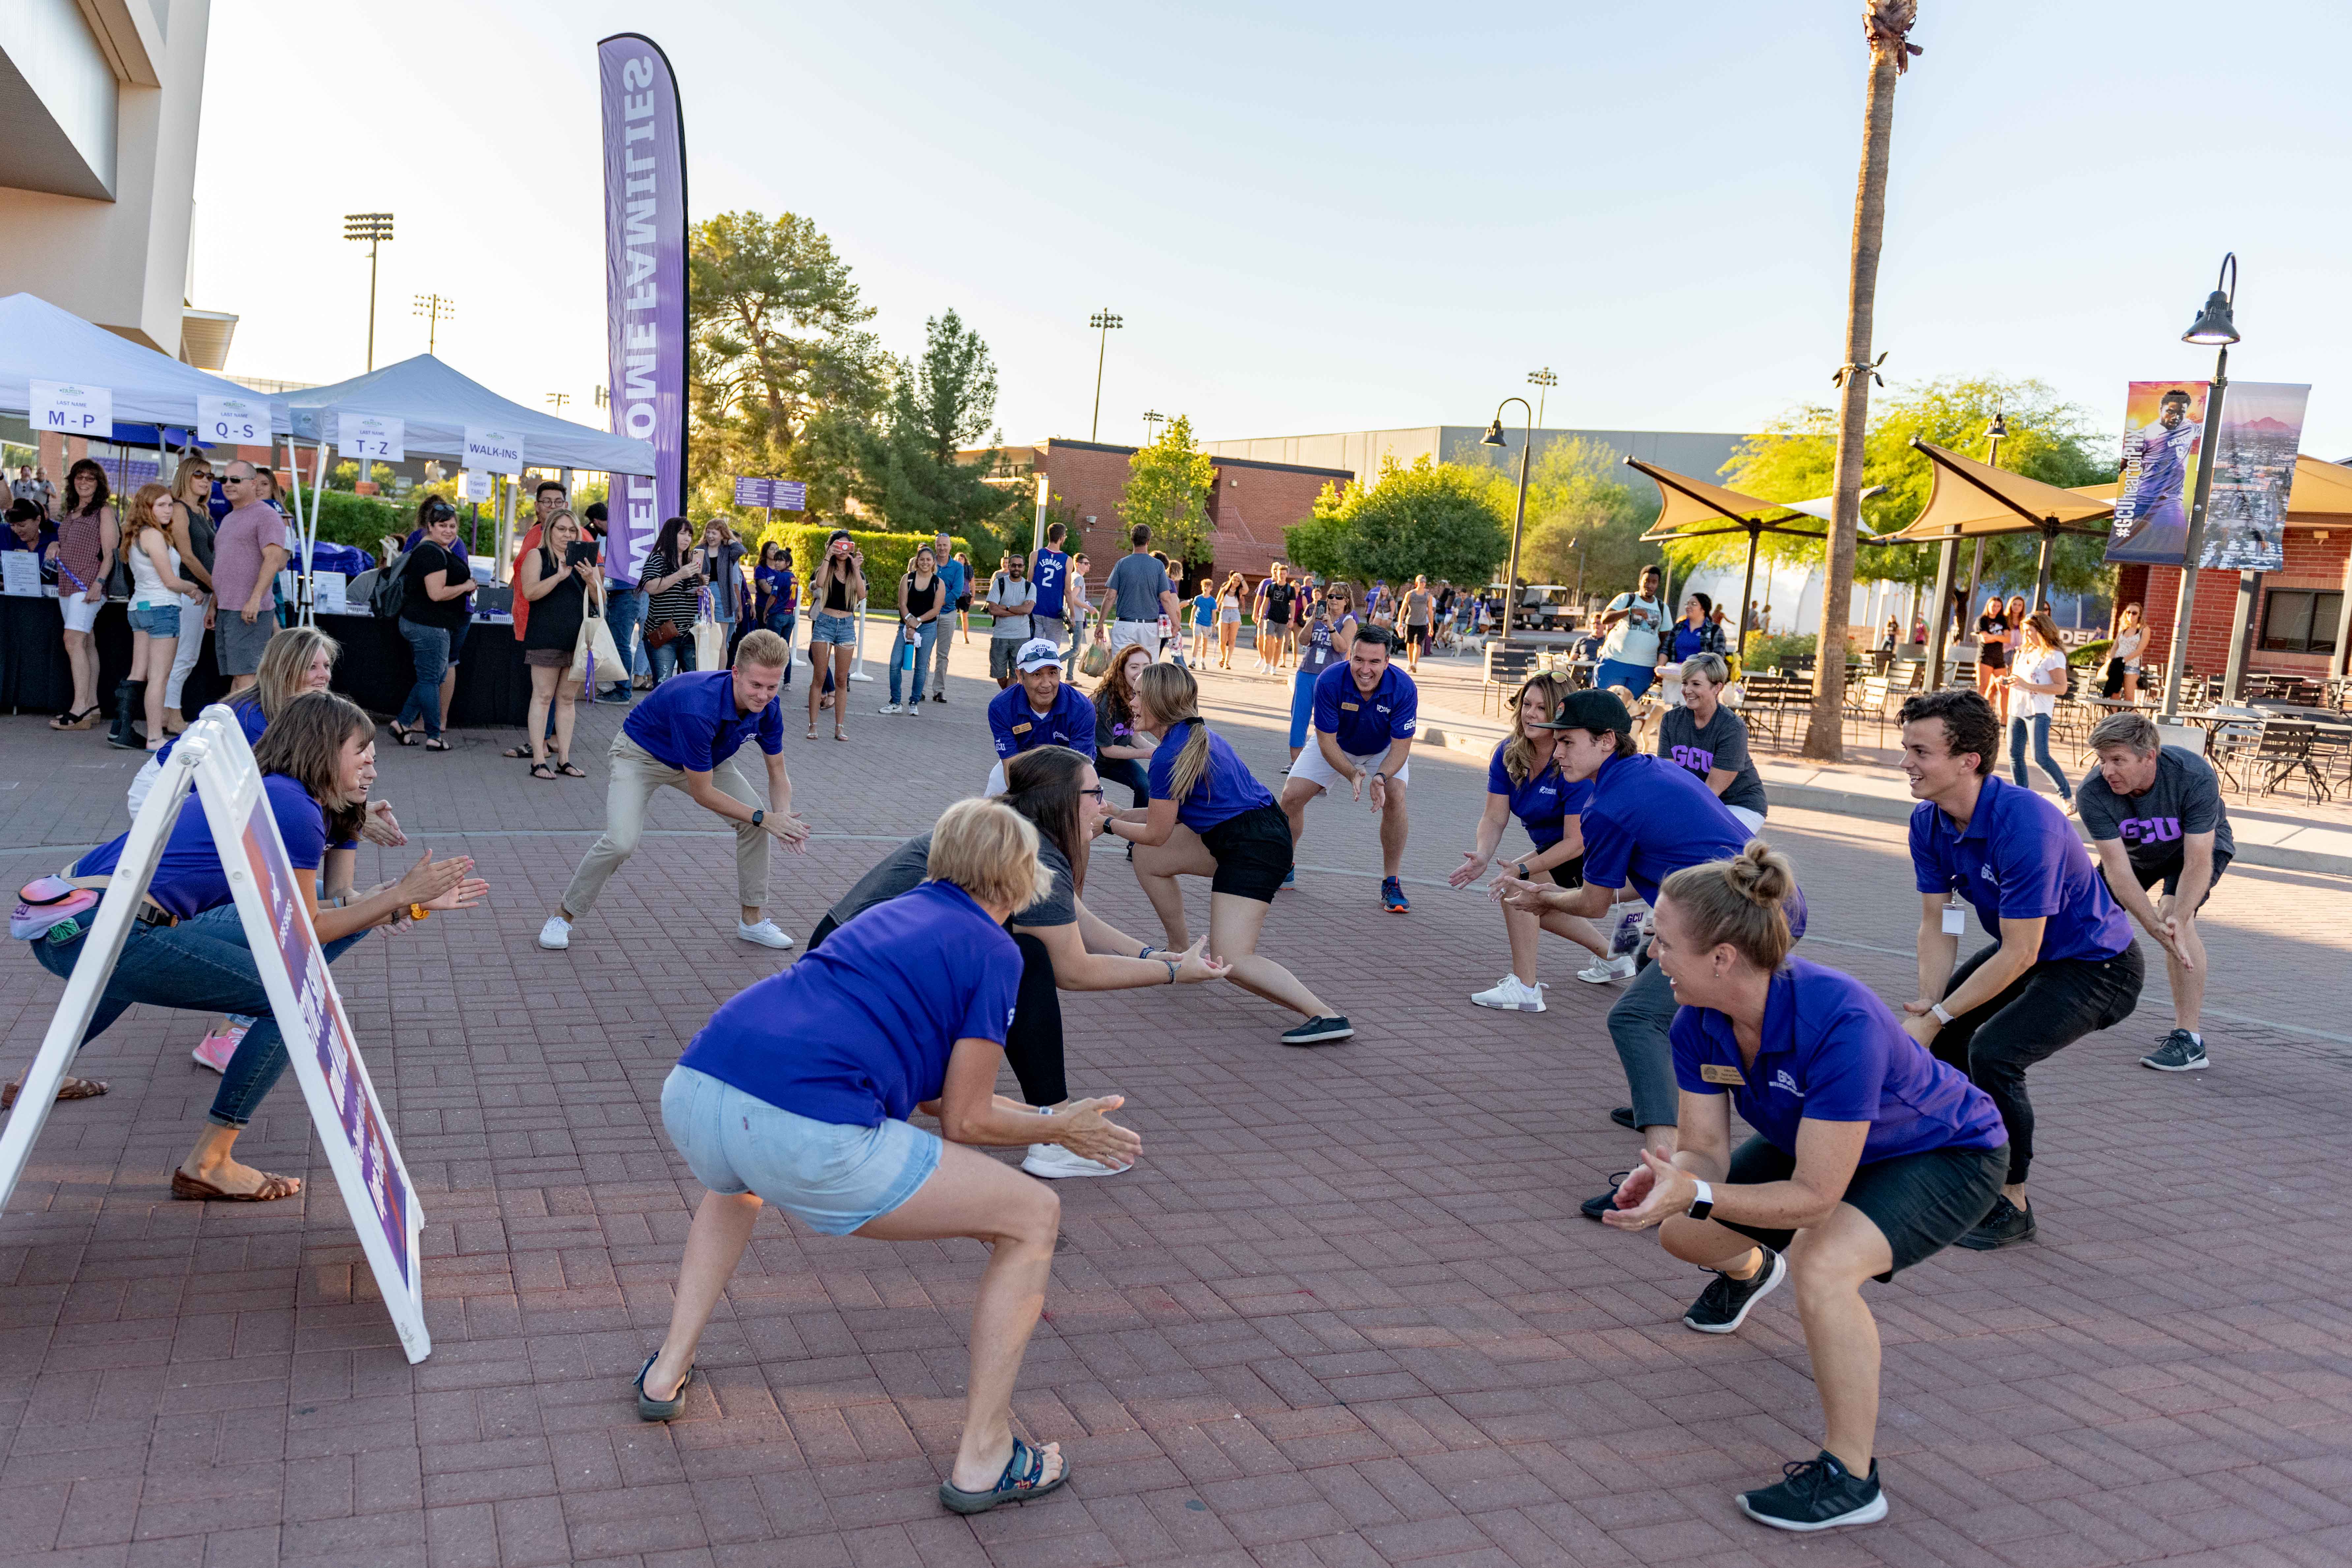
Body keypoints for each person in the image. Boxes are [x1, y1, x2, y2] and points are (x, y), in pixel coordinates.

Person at [634, 798, 1138, 1515]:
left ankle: (666, 1372)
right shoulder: (996, 949)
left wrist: (1052, 1120)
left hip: (700, 1086)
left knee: (739, 1182)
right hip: (805, 1126)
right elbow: (966, 1118)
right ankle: (985, 1456)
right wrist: (1057, 1125)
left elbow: (939, 1101)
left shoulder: (890, 912)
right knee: (1034, 1214)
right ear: (1021, 876)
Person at [1601, 844, 2007, 1533]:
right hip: (1825, 1148)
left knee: (1823, 1264)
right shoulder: (1695, 1019)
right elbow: (1706, 1150)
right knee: (1683, 1231)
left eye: (1664, 941)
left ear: (1723, 956)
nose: (1652, 955)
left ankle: (1851, 1476)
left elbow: (1816, 1196)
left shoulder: (1838, 1016)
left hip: (1947, 1152)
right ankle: (1753, 1268)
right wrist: (1679, 1179)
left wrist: (1697, 1190)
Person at [21, 693, 485, 1198]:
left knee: (289, 969)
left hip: (82, 920)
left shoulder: (280, 793)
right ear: (323, 749)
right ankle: (211, 1160)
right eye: (363, 750)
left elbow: (289, 923)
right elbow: (307, 926)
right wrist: (399, 895)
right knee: (289, 1003)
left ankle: (42, 1078)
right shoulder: (294, 809)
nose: (374, 762)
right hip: (99, 930)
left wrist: (403, 903)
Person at [809, 748, 1226, 1179]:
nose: (1102, 806)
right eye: (1094, 793)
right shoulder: (1032, 849)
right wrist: (1172, 973)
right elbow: (1074, 970)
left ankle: (1049, 1124)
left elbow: (1073, 916)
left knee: (1015, 958)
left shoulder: (1015, 829)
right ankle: (1055, 1137)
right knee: (1026, 959)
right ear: (1060, 800)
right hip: (861, 973)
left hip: (848, 957)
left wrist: (1148, 955)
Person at [1493, 689, 1803, 1219]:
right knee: (1667, 997)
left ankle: (1668, 1173)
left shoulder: (1609, 804)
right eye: (1555, 740)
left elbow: (1591, 904)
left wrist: (1543, 897)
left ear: (1606, 741)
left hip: (1737, 924)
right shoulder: (1648, 773)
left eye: (1567, 741)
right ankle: (1667, 1108)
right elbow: (1661, 867)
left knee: (1635, 1020)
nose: (1557, 751)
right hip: (1767, 908)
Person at [1896, 688, 2143, 1250]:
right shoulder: (1929, 822)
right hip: (2032, 955)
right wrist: (1929, 1003)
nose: (1905, 762)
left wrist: (1938, 1015)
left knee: (1994, 1052)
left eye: (1920, 750)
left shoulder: (2026, 823)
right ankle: (1964, 1167)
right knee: (1944, 1041)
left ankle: (2012, 1202)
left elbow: (2021, 951)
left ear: (1968, 761)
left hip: (2098, 967)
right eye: (1906, 747)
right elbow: (1940, 922)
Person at [1108, 664, 1353, 1046]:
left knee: (1232, 960)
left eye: (1139, 694)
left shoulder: (1169, 754)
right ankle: (1179, 952)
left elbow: (1156, 832)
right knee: (1150, 860)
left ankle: (1326, 1015)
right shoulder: (1189, 737)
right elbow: (1164, 818)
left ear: (1160, 701)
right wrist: (1120, 814)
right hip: (1250, 834)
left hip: (1253, 847)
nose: (1131, 701)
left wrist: (1105, 827)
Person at [542, 630, 809, 952]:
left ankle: (752, 922)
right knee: (621, 841)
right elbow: (703, 793)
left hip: (704, 759)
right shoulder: (698, 705)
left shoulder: (769, 707)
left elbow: (777, 771)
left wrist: (781, 816)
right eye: (756, 685)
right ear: (735, 673)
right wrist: (764, 817)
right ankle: (563, 915)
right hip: (642, 755)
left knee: (756, 826)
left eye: (772, 686)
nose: (763, 695)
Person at [2076, 711, 2231, 1072]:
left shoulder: (2192, 776)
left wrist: (2174, 915)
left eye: (2118, 760)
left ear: (2150, 756)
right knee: (2077, 918)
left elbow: (2196, 861)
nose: (2107, 770)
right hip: (2136, 856)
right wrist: (2146, 923)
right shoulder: (2093, 792)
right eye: (2102, 760)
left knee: (2176, 920)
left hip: (2190, 854)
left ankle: (2189, 1040)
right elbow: (2117, 868)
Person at [1451, 672, 1610, 1011]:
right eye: (1527, 704)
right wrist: (1482, 854)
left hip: (1597, 852)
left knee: (1518, 891)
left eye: (1542, 707)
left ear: (1561, 715)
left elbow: (1576, 842)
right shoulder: (1509, 752)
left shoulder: (1572, 759)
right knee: (1530, 901)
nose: (1531, 714)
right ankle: (1613, 956)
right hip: (1559, 850)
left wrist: (1522, 869)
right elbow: (1495, 817)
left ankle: (1525, 989)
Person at [1280, 624, 1416, 912]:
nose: (1365, 669)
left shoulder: (1404, 687)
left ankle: (1391, 882)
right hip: (1337, 743)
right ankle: (1284, 863)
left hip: (1382, 749)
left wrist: (1379, 777)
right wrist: (1351, 773)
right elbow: (1325, 741)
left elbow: (1401, 748)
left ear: (1387, 662)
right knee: (1291, 796)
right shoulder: (1330, 680)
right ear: (1349, 657)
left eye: (1374, 662)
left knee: (1395, 796)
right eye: (1359, 660)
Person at [114, 485, 199, 753]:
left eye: (170, 504)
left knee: (139, 673)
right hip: (162, 608)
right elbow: (170, 581)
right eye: (160, 505)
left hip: (139, 607)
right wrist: (193, 588)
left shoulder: (136, 534)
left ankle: (120, 730)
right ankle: (154, 737)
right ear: (147, 507)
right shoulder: (154, 536)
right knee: (159, 678)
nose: (168, 510)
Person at [517, 510, 597, 781]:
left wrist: (590, 579)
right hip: (546, 636)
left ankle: (564, 759)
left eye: (572, 530)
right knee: (542, 696)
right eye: (561, 529)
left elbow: (601, 600)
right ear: (549, 530)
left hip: (577, 639)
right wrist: (559, 577)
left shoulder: (586, 560)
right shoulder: (537, 556)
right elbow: (530, 592)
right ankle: (539, 760)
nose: (567, 535)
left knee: (566, 699)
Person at [388, 502, 470, 753]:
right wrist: (466, 587)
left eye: (453, 526)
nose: (448, 530)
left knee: (433, 677)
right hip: (428, 626)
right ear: (430, 527)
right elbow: (436, 594)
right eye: (442, 525)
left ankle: (401, 723)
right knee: (430, 680)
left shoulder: (437, 550)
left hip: (430, 624)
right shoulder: (431, 553)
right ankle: (434, 735)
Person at [1657, 654, 1768, 833]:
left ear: (1717, 688)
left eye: (1696, 684)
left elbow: (1712, 791)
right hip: (1697, 800)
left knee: (1709, 838)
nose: (1687, 690)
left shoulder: (1732, 728)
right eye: (1685, 683)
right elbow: (1669, 778)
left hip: (1739, 803)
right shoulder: (1671, 720)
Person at [208, 461, 288, 698]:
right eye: (224, 480)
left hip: (248, 611)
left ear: (253, 484)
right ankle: (233, 731)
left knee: (246, 677)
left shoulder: (266, 516)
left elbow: (274, 560)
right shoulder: (231, 518)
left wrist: (255, 599)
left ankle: (249, 733)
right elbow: (224, 566)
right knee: (239, 676)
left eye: (235, 480)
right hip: (228, 609)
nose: (228, 485)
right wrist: (214, 604)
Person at [48, 458, 118, 730]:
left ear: (99, 483)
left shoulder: (103, 510)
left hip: (88, 584)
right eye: (80, 477)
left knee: (72, 640)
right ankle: (93, 704)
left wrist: (99, 583)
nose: (84, 482)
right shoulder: (72, 511)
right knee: (87, 642)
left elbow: (111, 552)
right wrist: (55, 543)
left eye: (90, 478)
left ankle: (80, 709)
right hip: (67, 585)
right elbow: (68, 541)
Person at [986, 639, 1095, 795]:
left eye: (1052, 673)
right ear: (1020, 676)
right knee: (992, 809)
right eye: (1037, 674)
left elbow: (1079, 769)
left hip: (1069, 769)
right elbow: (1010, 764)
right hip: (1021, 764)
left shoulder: (1082, 709)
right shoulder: (1001, 707)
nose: (1046, 684)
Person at [159, 456, 218, 733]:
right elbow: (188, 556)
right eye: (199, 474)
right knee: (182, 658)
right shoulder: (180, 509)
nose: (206, 480)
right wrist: (217, 585)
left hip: (202, 592)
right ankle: (171, 716)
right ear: (185, 475)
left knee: (186, 657)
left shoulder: (203, 512)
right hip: (189, 591)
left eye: (210, 476)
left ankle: (166, 714)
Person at [2004, 610, 2073, 806]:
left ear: (2043, 631)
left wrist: (2028, 686)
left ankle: (2067, 797)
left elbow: (2061, 688)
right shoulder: (2023, 651)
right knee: (2014, 755)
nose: (2026, 635)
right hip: (2017, 707)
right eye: (2024, 631)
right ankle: (2022, 798)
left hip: (2038, 710)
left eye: (2030, 631)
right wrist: (2010, 682)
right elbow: (2021, 679)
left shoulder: (2053, 655)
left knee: (2040, 756)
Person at [2120, 388, 2198, 560]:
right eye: (2170, 411)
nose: (2176, 417)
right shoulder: (2146, 434)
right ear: (2161, 409)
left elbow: (2205, 428)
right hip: (2142, 497)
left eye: (2181, 413)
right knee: (2120, 538)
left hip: (2169, 500)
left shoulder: (2189, 427)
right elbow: (2124, 462)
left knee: (2176, 539)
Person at [1288, 579, 1357, 769]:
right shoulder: (1318, 617)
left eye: (1338, 597)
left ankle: (1328, 762)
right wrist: (1313, 620)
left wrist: (1331, 627)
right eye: (1330, 596)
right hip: (1307, 672)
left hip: (1330, 677)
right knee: (1299, 717)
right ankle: (1295, 763)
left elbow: (1342, 647)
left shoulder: (1348, 622)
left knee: (1328, 720)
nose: (1333, 600)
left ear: (1346, 601)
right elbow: (1303, 640)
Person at [803, 530, 865, 740]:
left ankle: (839, 728)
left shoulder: (855, 570)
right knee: (819, 677)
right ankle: (813, 726)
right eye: (839, 546)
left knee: (841, 679)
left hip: (847, 625)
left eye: (847, 546)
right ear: (832, 546)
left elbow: (862, 594)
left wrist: (856, 569)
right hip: (825, 623)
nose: (843, 550)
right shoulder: (826, 568)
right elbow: (819, 584)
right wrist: (828, 556)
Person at [880, 543, 945, 714]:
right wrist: (910, 623)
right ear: (917, 562)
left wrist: (918, 622)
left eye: (928, 560)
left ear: (933, 562)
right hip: (905, 626)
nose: (925, 562)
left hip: (928, 628)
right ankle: (895, 702)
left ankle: (914, 702)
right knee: (895, 663)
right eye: (922, 560)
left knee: (921, 666)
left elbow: (936, 610)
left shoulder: (939, 583)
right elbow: (902, 603)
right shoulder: (907, 579)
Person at [641, 516, 706, 686]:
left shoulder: (691, 562)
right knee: (663, 685)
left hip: (690, 634)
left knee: (696, 684)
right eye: (683, 533)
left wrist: (701, 589)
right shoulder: (657, 559)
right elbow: (650, 587)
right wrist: (680, 575)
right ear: (671, 534)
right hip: (664, 633)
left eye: (690, 535)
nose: (688, 539)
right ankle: (662, 713)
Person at [1092, 643, 1155, 808]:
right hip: (1091, 761)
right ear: (1121, 670)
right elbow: (1107, 749)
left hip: (1116, 760)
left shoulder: (1138, 694)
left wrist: (1161, 750)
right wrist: (1149, 753)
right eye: (1134, 667)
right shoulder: (1104, 703)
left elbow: (1132, 734)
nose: (1141, 672)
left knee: (1145, 785)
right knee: (1090, 801)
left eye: (1146, 666)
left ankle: (1139, 830)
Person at [1593, 565, 1667, 696]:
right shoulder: (1627, 599)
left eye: (1654, 582)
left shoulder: (1662, 607)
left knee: (1630, 710)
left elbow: (1666, 639)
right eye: (1647, 581)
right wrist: (1630, 611)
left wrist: (1661, 667)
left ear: (1658, 585)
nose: (1649, 585)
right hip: (1615, 662)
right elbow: (1605, 619)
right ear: (1640, 582)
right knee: (1603, 702)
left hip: (1644, 667)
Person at [1104, 525, 1178, 653]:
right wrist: (1176, 623)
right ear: (1148, 541)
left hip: (1125, 624)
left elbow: (1110, 596)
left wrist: (1100, 623)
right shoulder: (1158, 566)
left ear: (1132, 540)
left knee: (1121, 667)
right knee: (1148, 668)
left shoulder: (1122, 564)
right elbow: (1166, 599)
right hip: (1149, 626)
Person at [695, 519, 747, 658]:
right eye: (708, 532)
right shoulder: (699, 549)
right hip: (703, 595)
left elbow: (741, 550)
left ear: (722, 534)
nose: (710, 536)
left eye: (715, 533)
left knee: (721, 642)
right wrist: (701, 577)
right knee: (704, 640)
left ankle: (719, 674)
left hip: (723, 596)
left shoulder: (728, 551)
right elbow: (693, 572)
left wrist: (729, 539)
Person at [983, 549, 1035, 689]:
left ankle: (1007, 701)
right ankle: (1008, 697)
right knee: (998, 672)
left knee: (1015, 672)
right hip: (1000, 635)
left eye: (1020, 566)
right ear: (1009, 566)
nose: (1016, 568)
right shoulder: (999, 584)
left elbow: (1028, 610)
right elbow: (993, 609)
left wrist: (1006, 608)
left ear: (1024, 568)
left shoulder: (1030, 587)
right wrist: (1018, 611)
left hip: (1021, 636)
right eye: (1014, 565)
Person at [750, 540, 796, 687]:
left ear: (788, 563)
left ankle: (768, 678)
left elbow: (773, 595)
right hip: (790, 615)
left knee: (770, 647)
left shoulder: (781, 576)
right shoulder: (793, 577)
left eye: (780, 560)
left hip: (777, 615)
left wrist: (766, 611)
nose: (777, 563)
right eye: (776, 560)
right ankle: (787, 681)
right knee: (785, 647)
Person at [929, 532, 965, 699]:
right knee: (924, 653)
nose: (942, 548)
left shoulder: (958, 567)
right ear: (935, 546)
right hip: (928, 615)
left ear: (950, 547)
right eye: (939, 545)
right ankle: (919, 690)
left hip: (947, 615)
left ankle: (939, 690)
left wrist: (936, 604)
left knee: (943, 655)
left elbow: (956, 592)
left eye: (945, 545)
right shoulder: (929, 563)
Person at [1029, 521, 1071, 648]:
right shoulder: (1067, 560)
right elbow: (1068, 591)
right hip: (1055, 610)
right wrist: (1073, 616)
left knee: (1033, 649)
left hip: (1036, 608)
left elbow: (1029, 583)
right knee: (1052, 651)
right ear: (1062, 537)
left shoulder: (1036, 555)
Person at [1665, 591, 1727, 668]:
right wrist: (1660, 668)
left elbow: (1719, 657)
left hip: (1701, 676)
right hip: (1674, 674)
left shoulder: (1715, 630)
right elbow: (1666, 649)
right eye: (1687, 604)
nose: (1688, 607)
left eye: (1694, 604)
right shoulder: (1678, 627)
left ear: (1703, 609)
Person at [1972, 593, 2010, 717]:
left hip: (1999, 658)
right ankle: (1977, 716)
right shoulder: (1982, 620)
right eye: (1994, 606)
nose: (1996, 608)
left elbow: (2008, 639)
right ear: (1989, 606)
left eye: (1999, 606)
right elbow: (1985, 639)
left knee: (2005, 689)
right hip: (1985, 657)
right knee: (1983, 688)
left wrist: (1993, 637)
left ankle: (2004, 718)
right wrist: (2000, 638)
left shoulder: (2003, 620)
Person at [2103, 602, 2148, 701]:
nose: (2131, 615)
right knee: (2114, 695)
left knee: (2130, 698)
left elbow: (2140, 650)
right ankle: (2115, 717)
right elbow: (2115, 647)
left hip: (2131, 666)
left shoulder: (2144, 630)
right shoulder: (2123, 629)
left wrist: (2123, 660)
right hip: (2117, 666)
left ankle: (2130, 717)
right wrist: (2113, 660)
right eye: (2128, 612)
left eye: (2134, 613)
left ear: (2139, 615)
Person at [1398, 574, 1436, 674]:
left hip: (1422, 623)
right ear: (1417, 583)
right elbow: (1404, 608)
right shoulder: (1410, 594)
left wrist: (1431, 627)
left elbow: (1430, 612)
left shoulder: (1428, 596)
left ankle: (1415, 664)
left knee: (1418, 644)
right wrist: (1400, 623)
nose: (1422, 584)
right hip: (1410, 622)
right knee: (1410, 644)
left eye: (1424, 582)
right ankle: (1410, 663)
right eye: (1420, 582)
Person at [1214, 571, 1244, 669]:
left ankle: (1227, 662)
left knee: (1232, 640)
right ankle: (1223, 656)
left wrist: (1242, 579)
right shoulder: (1224, 590)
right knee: (1223, 641)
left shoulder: (1239, 592)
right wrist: (1213, 614)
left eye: (1238, 581)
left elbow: (1247, 589)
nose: (1236, 582)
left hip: (1235, 614)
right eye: (1235, 580)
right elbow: (1216, 604)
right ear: (1231, 580)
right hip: (1224, 614)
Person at [1188, 580, 1215, 665]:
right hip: (1198, 622)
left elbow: (1214, 613)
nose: (1206, 588)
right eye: (1205, 586)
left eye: (1208, 587)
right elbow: (1194, 609)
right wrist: (1191, 620)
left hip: (1207, 624)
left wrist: (1214, 625)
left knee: (1205, 642)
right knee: (1196, 641)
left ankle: (1203, 661)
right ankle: (1193, 661)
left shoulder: (1212, 601)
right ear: (1202, 587)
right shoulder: (1198, 598)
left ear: (1211, 589)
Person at [952, 549, 974, 642]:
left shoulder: (969, 570)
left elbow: (973, 584)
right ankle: (950, 637)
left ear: (965, 560)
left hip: (965, 596)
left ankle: (966, 637)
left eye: (962, 559)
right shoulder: (952, 569)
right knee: (952, 617)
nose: (960, 560)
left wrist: (973, 597)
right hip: (954, 595)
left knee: (964, 618)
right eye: (958, 558)